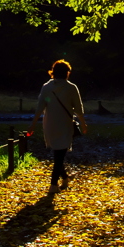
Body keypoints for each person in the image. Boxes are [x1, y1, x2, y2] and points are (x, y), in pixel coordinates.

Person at [30, 60, 87, 190]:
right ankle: (54, 184)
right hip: (65, 124)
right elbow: (79, 109)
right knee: (59, 153)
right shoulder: (71, 88)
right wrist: (83, 125)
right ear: (67, 73)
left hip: (50, 124)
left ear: (53, 72)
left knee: (58, 152)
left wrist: (32, 125)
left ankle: (63, 179)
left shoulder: (47, 87)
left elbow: (40, 108)